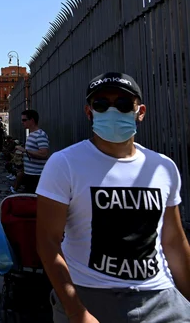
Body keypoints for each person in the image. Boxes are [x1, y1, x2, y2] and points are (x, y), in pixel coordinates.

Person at [37, 72, 190, 323]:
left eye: (122, 104)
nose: (112, 110)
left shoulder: (163, 167)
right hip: (92, 294)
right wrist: (76, 311)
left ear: (140, 111)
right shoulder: (65, 164)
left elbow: (173, 241)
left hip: (161, 296)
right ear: (89, 113)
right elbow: (47, 242)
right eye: (101, 104)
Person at [13, 110, 49, 192]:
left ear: (32, 120)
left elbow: (44, 154)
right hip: (30, 174)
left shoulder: (40, 135)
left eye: (24, 120)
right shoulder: (32, 134)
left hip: (36, 176)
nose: (22, 122)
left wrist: (25, 151)